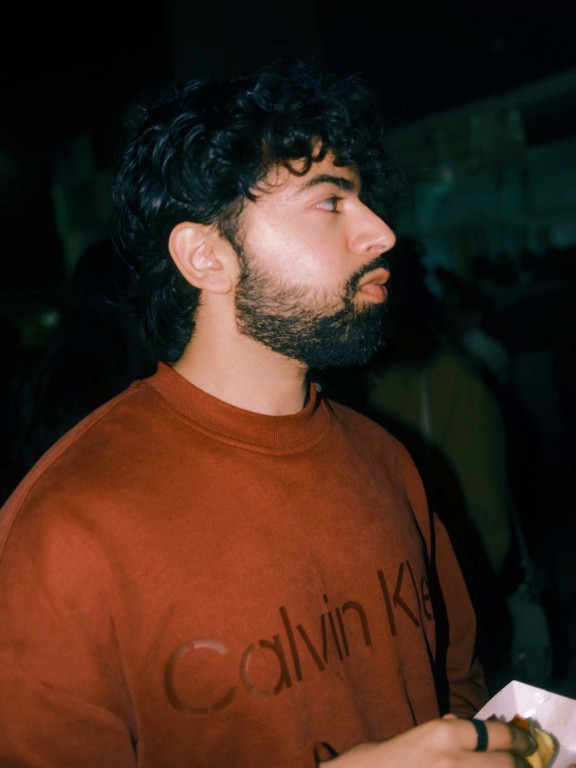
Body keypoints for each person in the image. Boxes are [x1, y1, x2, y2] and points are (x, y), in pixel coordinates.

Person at [0, 60, 544, 767]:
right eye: (330, 202)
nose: (382, 233)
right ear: (207, 256)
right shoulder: (63, 529)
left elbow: (454, 682)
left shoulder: (388, 456)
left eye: (363, 197)